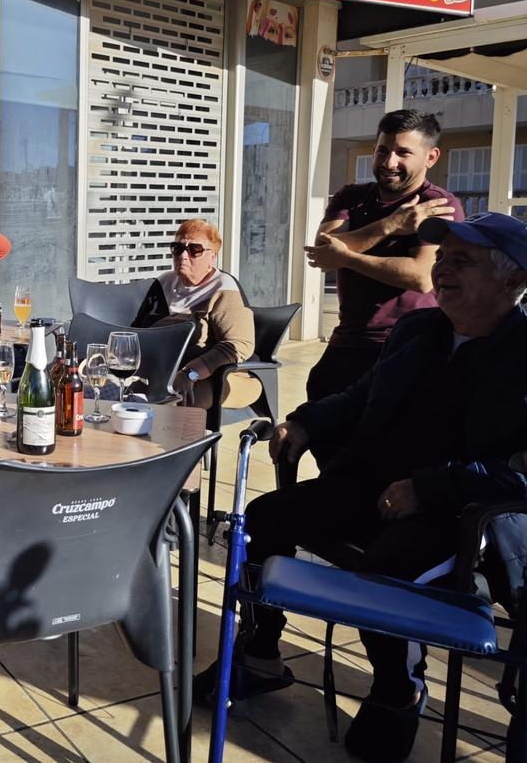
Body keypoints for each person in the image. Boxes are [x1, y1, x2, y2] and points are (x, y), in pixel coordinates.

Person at [196, 211, 527, 763]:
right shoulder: (418, 329)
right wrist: (305, 421)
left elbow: (519, 472)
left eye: (463, 261)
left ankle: (398, 689)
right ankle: (259, 654)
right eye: (442, 258)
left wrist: (429, 488)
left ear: (513, 278)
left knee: (386, 570)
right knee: (264, 520)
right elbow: (359, 397)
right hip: (370, 485)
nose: (443, 270)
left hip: (462, 516)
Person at [304, 109, 462, 405]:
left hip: (408, 345)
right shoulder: (352, 197)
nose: (389, 162)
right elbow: (322, 253)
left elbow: (421, 277)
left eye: (403, 153)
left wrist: (347, 257)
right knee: (320, 413)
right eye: (382, 151)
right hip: (348, 340)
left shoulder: (437, 204)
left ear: (431, 157)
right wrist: (390, 225)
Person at [134, 219, 256, 409]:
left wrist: (191, 373)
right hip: (161, 372)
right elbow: (138, 330)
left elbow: (239, 344)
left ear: (212, 256)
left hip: (221, 375)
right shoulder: (163, 283)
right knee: (117, 398)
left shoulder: (223, 288)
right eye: (177, 248)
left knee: (182, 403)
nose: (183, 255)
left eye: (194, 249)